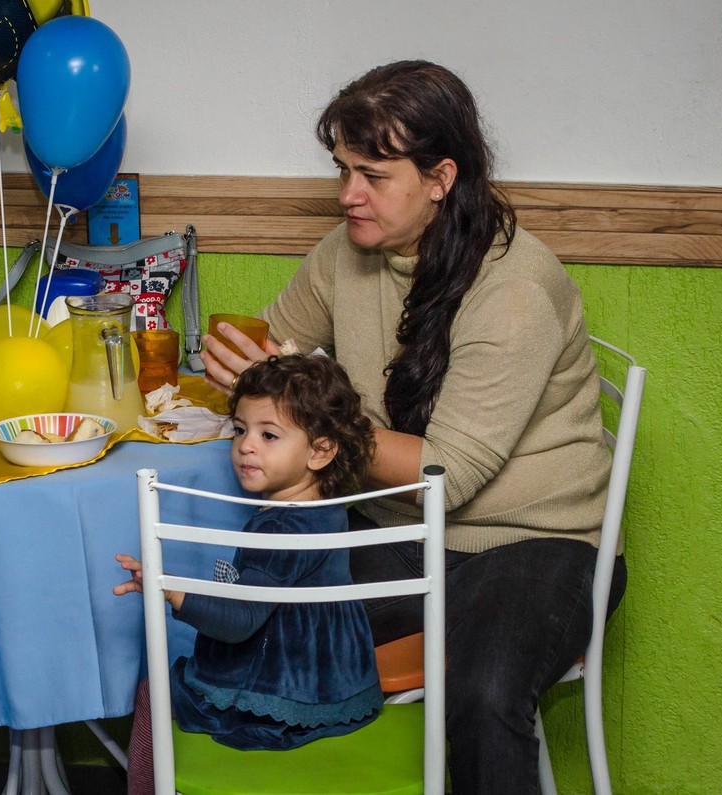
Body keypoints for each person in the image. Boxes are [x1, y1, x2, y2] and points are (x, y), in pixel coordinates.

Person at [200, 60, 628, 794]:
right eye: (343, 170)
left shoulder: (514, 288)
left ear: (440, 178)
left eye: (373, 174)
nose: (348, 194)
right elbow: (270, 349)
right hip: (397, 530)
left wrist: (310, 416)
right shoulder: (345, 252)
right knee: (236, 611)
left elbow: (445, 477)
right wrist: (243, 371)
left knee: (482, 694)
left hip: (535, 543)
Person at [114, 354, 381, 794]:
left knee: (152, 692)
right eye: (240, 430)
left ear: (320, 451)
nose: (245, 446)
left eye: (268, 435)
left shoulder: (282, 529)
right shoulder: (323, 510)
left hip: (278, 694)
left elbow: (239, 621)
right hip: (329, 679)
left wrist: (168, 589)